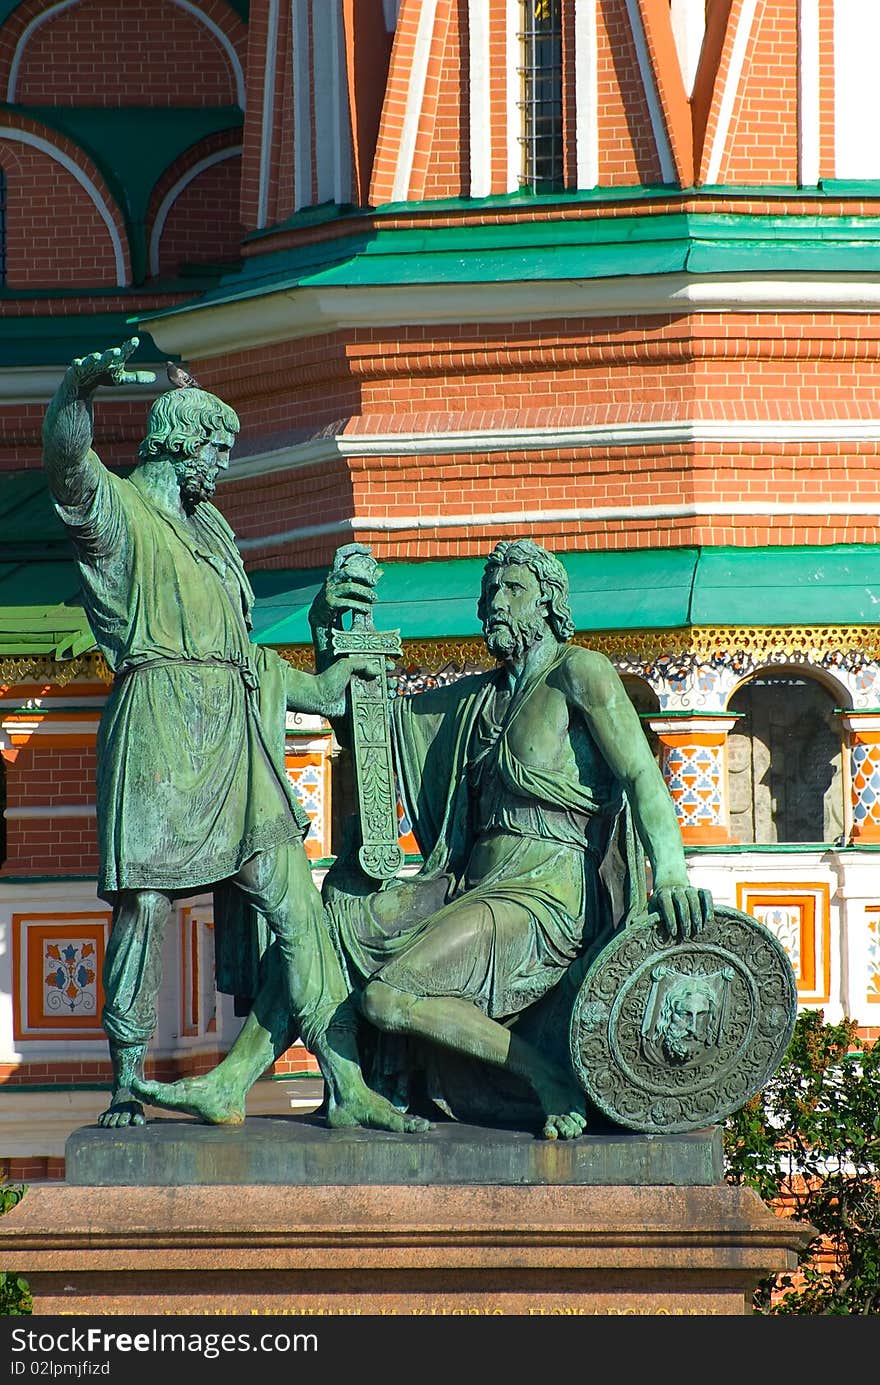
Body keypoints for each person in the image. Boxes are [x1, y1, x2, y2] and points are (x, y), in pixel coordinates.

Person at [137, 538, 713, 1139]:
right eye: (489, 592)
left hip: (546, 897)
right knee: (331, 919)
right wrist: (332, 631)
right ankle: (235, 1082)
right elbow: (369, 717)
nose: (494, 603)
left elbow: (642, 774)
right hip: (469, 883)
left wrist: (671, 872)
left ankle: (547, 1077)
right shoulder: (480, 698)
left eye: (511, 589)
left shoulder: (578, 673)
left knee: (387, 998)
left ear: (548, 601)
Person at [41, 338, 427, 1134]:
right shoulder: (124, 514)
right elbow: (68, 475)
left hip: (233, 736)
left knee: (297, 905)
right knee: (144, 904)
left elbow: (241, 653)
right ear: (181, 444)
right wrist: (74, 396)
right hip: (158, 728)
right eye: (215, 449)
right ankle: (126, 1077)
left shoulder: (213, 533)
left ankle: (344, 1078)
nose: (221, 466)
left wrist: (318, 688)